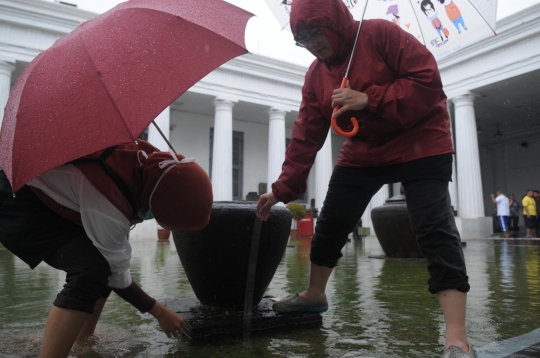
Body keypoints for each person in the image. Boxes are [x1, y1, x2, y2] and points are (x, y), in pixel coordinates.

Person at [256, 0, 474, 357]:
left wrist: (368, 98)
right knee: (331, 221)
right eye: (303, 38)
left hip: (422, 141)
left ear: (336, 22)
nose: (312, 43)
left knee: (433, 229)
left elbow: (428, 80)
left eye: (316, 33)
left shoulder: (380, 33)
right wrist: (282, 189)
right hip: (365, 150)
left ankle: (457, 336)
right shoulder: (316, 75)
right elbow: (306, 134)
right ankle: (314, 295)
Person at [0, 140, 213, 358]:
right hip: (16, 198)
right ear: (165, 206)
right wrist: (159, 312)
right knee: (90, 269)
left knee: (100, 266)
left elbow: (113, 260)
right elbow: (116, 272)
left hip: (47, 196)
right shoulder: (109, 197)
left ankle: (83, 339)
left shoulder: (149, 166)